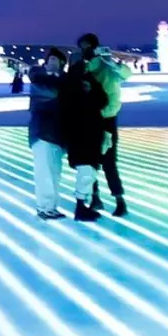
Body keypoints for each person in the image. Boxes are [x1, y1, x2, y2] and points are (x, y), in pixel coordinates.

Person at [80, 34, 132, 216]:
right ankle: (95, 197)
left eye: (88, 47)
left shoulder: (107, 66)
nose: (85, 50)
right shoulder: (82, 67)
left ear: (96, 47)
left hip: (107, 119)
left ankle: (119, 200)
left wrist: (113, 62)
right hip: (89, 119)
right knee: (90, 161)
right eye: (82, 47)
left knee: (109, 161)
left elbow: (127, 74)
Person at [60, 47, 110, 221]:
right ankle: (80, 206)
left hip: (91, 133)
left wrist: (91, 90)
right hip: (78, 134)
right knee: (86, 170)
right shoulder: (70, 85)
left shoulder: (89, 81)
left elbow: (103, 100)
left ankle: (84, 204)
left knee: (90, 170)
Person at [27, 48, 68, 219]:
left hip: (59, 134)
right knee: (44, 172)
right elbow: (50, 95)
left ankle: (51, 207)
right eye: (50, 59)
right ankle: (44, 207)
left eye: (56, 60)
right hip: (42, 132)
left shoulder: (64, 81)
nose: (53, 62)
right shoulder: (39, 80)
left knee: (54, 173)